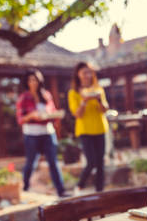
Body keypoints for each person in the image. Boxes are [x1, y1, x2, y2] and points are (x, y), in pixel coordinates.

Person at [16, 69, 67, 197]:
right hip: (32, 134)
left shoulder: (46, 95)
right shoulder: (24, 97)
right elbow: (20, 119)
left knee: (53, 162)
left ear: (40, 81)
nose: (33, 82)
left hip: (48, 133)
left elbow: (52, 112)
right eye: (31, 80)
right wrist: (31, 116)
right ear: (27, 82)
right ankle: (25, 188)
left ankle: (61, 190)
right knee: (31, 162)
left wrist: (55, 115)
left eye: (35, 79)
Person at [68, 62, 109, 193]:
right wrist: (84, 100)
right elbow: (77, 114)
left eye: (89, 72)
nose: (87, 75)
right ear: (78, 75)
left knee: (100, 162)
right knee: (91, 161)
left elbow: (104, 110)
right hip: (85, 130)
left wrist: (98, 100)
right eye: (83, 72)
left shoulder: (98, 90)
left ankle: (100, 191)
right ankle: (79, 185)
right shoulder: (73, 93)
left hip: (100, 128)